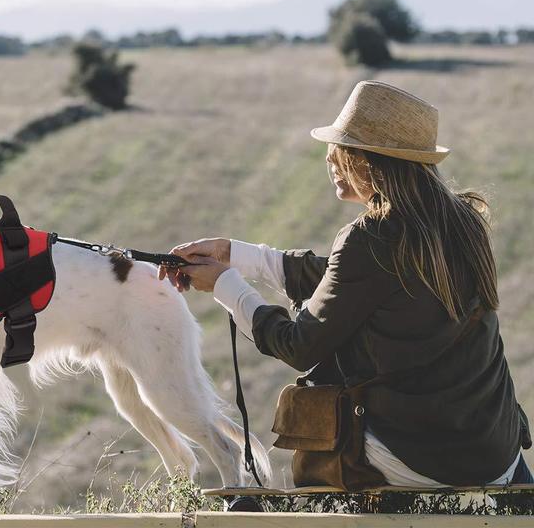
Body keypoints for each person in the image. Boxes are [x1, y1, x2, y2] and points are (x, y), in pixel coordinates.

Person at [159, 80, 532, 487]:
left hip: (425, 458)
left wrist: (227, 286)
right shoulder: (461, 222)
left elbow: (299, 345)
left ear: (371, 162)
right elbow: (351, 282)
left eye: (341, 150)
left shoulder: (371, 238)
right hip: (496, 452)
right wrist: (237, 254)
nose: (330, 160)